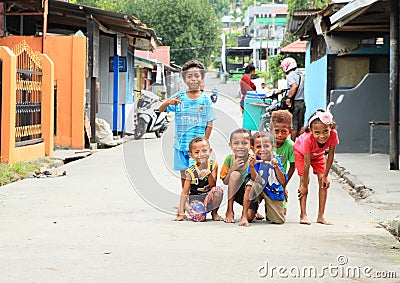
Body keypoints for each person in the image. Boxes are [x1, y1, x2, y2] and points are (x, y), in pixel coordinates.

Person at [158, 59, 215, 189]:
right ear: (184, 79)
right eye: (189, 76)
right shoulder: (179, 98)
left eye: (197, 76)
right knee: (184, 176)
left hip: (197, 147)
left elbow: (209, 123)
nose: (193, 79)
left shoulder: (205, 100)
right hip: (180, 145)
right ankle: (186, 201)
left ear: (202, 78)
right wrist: (168, 103)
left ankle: (197, 201)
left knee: (198, 176)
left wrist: (205, 142)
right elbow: (160, 110)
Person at [293, 104, 339, 225]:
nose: (322, 136)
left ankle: (321, 216)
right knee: (305, 181)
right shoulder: (307, 139)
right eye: (317, 132)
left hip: (318, 155)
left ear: (331, 128)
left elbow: (330, 156)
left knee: (323, 183)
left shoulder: (334, 134)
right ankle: (303, 214)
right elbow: (307, 163)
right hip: (302, 154)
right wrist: (303, 184)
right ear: (311, 131)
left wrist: (325, 175)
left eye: (325, 131)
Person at [174, 137, 224, 222]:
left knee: (218, 190)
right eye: (197, 152)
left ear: (210, 150)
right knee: (200, 217)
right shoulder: (190, 171)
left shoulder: (213, 165)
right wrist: (181, 212)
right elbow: (185, 191)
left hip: (208, 198)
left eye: (204, 151)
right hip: (195, 199)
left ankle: (214, 213)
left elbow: (213, 185)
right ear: (191, 155)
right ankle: (186, 206)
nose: (201, 154)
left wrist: (209, 175)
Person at [244, 131, 287, 226]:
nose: (263, 150)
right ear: (252, 148)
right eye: (258, 147)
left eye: (266, 146)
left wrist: (276, 167)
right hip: (258, 187)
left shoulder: (276, 160)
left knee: (278, 220)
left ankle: (269, 207)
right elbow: (255, 179)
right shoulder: (253, 160)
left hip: (272, 191)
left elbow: (282, 181)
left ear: (272, 146)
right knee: (250, 186)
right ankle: (246, 214)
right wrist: (252, 167)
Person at [220, 128, 260, 224]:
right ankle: (229, 210)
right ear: (230, 145)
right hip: (236, 193)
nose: (240, 146)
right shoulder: (229, 159)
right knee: (235, 174)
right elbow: (225, 181)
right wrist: (233, 167)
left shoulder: (253, 159)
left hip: (250, 195)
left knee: (250, 217)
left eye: (244, 143)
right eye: (236, 143)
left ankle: (253, 211)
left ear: (251, 145)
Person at [271, 110, 296, 215]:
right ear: (271, 130)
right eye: (276, 131)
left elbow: (293, 166)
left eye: (284, 131)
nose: (279, 135)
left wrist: (284, 185)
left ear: (290, 131)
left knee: (281, 215)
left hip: (278, 183)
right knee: (250, 215)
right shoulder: (265, 142)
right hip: (262, 181)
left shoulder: (290, 146)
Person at [280, 57, 305, 141]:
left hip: (295, 103)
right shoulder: (300, 74)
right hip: (302, 102)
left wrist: (288, 98)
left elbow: (294, 86)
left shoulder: (290, 75)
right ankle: (301, 143)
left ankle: (292, 144)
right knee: (301, 124)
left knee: (294, 124)